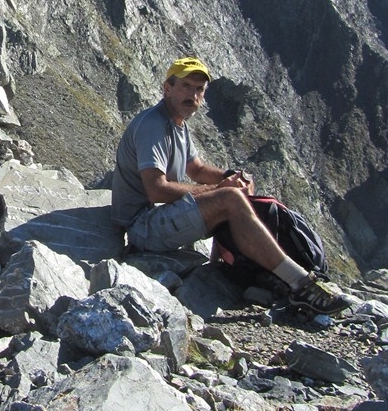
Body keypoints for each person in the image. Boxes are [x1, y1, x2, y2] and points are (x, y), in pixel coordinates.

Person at [111, 57, 350, 316]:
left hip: (157, 218)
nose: (192, 95)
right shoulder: (153, 125)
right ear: (167, 88)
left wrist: (232, 176)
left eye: (199, 89)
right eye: (186, 86)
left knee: (234, 195)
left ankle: (246, 271)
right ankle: (301, 285)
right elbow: (156, 190)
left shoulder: (177, 123)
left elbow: (197, 169)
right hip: (141, 227)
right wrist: (222, 191)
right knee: (230, 200)